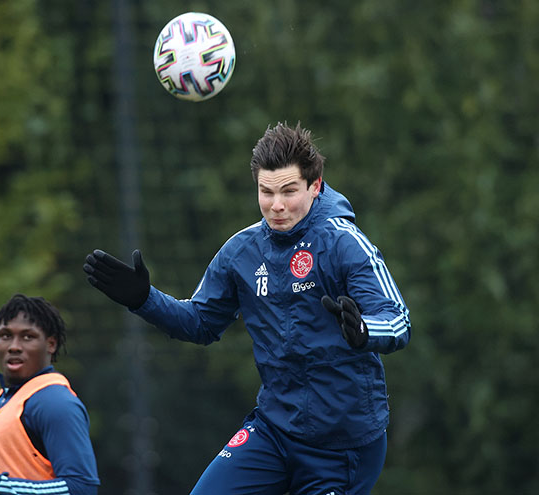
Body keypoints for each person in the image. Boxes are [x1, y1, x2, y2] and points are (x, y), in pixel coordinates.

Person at [83, 122, 411, 495]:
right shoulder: (241, 252)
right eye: (266, 192)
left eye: (289, 191)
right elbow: (200, 322)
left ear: (315, 185)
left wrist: (366, 330)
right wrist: (144, 300)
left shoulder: (344, 243)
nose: (277, 205)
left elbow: (398, 320)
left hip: (342, 448)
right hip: (274, 433)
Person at [0, 294, 101, 495]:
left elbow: (83, 488)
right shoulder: (2, 401)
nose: (14, 346)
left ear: (51, 344)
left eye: (28, 337)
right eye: (5, 336)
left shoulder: (54, 402)